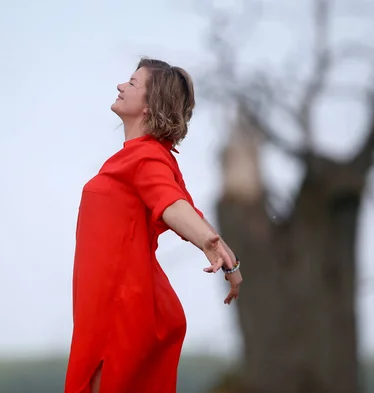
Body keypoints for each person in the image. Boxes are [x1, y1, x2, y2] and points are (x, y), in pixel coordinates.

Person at [64, 58, 243, 393]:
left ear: (149, 106)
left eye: (132, 83)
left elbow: (173, 206)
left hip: (121, 307)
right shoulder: (148, 157)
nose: (120, 86)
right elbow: (188, 211)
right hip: (107, 304)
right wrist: (226, 257)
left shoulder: (145, 158)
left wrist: (212, 246)